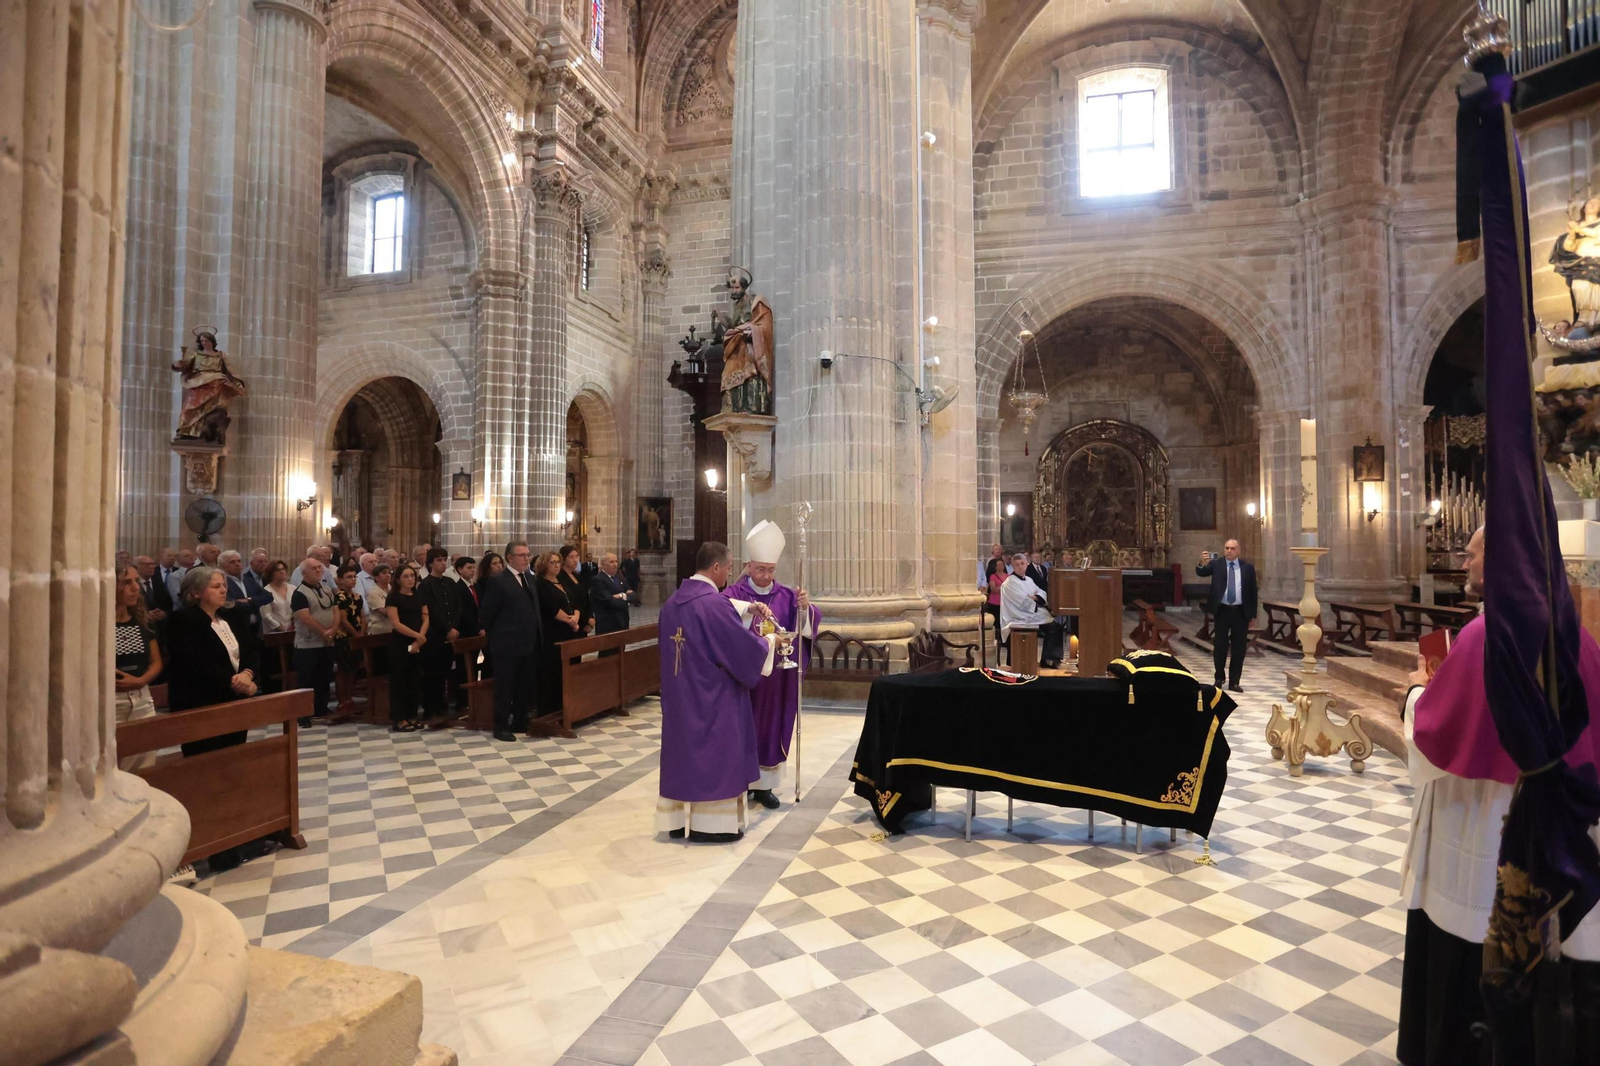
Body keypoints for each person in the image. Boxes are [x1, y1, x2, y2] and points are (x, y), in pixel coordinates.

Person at [1398, 525, 1600, 1064]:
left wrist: (1419, 687)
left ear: (1502, 559)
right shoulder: (1577, 636)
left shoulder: (1485, 637)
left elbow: (1434, 735)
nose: (1464, 565)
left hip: (1486, 832)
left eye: (1472, 555)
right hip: (1558, 846)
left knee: (1476, 970)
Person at [657, 541, 779, 842]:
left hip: (680, 694)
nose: (728, 575)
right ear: (715, 568)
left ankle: (674, 821)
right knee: (715, 754)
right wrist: (771, 642)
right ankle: (710, 826)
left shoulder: (672, 603)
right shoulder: (712, 605)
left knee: (682, 753)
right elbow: (742, 649)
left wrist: (747, 610)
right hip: (713, 697)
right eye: (727, 568)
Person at [164, 565, 258, 874]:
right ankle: (208, 842)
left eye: (223, 585)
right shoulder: (181, 622)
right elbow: (195, 663)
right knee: (206, 774)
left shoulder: (228, 619)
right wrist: (237, 682)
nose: (223, 589)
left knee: (230, 770)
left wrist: (248, 674)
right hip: (200, 705)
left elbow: (249, 652)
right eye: (215, 585)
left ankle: (229, 838)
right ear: (195, 592)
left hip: (231, 704)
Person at [722, 521, 820, 809]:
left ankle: (764, 787)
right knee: (744, 727)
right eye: (760, 569)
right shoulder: (735, 595)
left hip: (777, 679)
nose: (766, 576)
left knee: (771, 726)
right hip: (744, 680)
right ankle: (741, 781)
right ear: (748, 566)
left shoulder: (788, 596)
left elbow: (804, 628)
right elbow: (722, 617)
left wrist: (805, 609)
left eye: (771, 570)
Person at [479, 542, 542, 741]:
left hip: (528, 642)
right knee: (505, 687)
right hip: (506, 644)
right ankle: (501, 725)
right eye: (522, 555)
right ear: (510, 558)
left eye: (528, 554)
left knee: (524, 685)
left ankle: (520, 720)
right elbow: (487, 614)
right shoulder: (499, 581)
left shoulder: (529, 579)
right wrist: (500, 635)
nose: (527, 558)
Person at [113, 564, 162, 771]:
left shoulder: (142, 620)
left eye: (136, 582)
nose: (135, 588)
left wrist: (141, 680)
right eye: (127, 582)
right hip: (111, 701)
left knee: (143, 766)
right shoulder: (96, 622)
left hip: (141, 699)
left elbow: (156, 661)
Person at [1196, 539, 1257, 692]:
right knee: (1220, 645)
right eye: (1227, 548)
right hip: (1222, 610)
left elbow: (1252, 592)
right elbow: (1201, 572)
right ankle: (1219, 677)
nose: (1229, 551)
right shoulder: (1216, 564)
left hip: (1240, 612)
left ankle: (1234, 681)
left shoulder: (1247, 568)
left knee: (1239, 648)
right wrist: (1201, 562)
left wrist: (1253, 615)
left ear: (1239, 550)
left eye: (1232, 548)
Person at [290, 557, 338, 720]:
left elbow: (335, 611)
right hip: (308, 644)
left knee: (324, 677)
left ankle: (321, 708)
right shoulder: (299, 593)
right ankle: (303, 714)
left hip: (327, 641)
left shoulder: (327, 589)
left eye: (320, 567)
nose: (319, 570)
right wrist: (324, 632)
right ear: (304, 573)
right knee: (307, 679)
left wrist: (333, 630)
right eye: (314, 568)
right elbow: (305, 618)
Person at [536, 551, 582, 719]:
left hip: (569, 632)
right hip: (553, 633)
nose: (556, 565)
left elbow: (575, 601)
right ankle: (550, 712)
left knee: (567, 672)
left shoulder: (561, 580)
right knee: (552, 672)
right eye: (552, 562)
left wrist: (576, 617)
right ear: (544, 565)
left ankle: (566, 708)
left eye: (558, 562)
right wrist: (570, 621)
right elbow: (549, 608)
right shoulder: (540, 583)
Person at [419, 548, 462, 725]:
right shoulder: (425, 585)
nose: (443, 563)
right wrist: (446, 629)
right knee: (432, 673)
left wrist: (454, 627)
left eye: (444, 560)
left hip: (451, 634)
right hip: (434, 635)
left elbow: (457, 606)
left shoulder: (450, 582)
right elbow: (432, 612)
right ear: (430, 564)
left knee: (445, 672)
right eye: (439, 560)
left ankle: (442, 705)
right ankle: (431, 708)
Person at [999, 553, 1064, 668]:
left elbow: (1041, 592)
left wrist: (1034, 597)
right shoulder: (1010, 583)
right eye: (1017, 565)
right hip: (1017, 617)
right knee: (1053, 628)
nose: (1020, 567)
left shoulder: (1029, 580)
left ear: (1027, 564)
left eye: (1022, 563)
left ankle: (1049, 659)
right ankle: (1023, 662)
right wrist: (1033, 597)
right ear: (1013, 567)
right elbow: (1022, 602)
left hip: (1029, 614)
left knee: (1056, 627)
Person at [385, 564, 429, 733]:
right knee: (400, 682)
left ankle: (412, 715)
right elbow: (396, 624)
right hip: (400, 643)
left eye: (412, 576)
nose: (411, 579)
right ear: (397, 579)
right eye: (406, 576)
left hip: (418, 642)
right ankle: (399, 718)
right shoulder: (393, 597)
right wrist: (416, 636)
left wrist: (420, 638)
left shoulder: (419, 595)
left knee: (414, 681)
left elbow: (426, 617)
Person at [330, 564, 364, 718]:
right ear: (340, 581)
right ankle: (342, 700)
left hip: (357, 636)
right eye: (349, 577)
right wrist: (355, 635)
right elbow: (343, 620)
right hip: (344, 638)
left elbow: (363, 616)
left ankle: (350, 698)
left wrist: (362, 633)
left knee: (353, 669)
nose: (353, 580)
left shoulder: (357, 597)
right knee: (343, 670)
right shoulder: (339, 597)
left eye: (354, 576)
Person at [590, 552, 634, 656]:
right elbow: (609, 601)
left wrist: (621, 596)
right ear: (603, 564)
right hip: (608, 624)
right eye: (611, 562)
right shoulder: (598, 580)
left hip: (622, 621)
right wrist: (626, 599)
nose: (615, 564)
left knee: (620, 654)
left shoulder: (619, 578)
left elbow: (634, 596)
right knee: (607, 655)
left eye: (616, 561)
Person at [475, 551, 504, 679]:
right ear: (488, 567)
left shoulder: (505, 582)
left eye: (500, 563)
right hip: (490, 628)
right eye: (495, 563)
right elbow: (483, 607)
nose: (499, 566)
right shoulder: (482, 584)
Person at [557, 545, 592, 635]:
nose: (575, 560)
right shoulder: (559, 577)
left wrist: (590, 619)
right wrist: (586, 619)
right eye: (571, 557)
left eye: (577, 556)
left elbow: (585, 598)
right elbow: (571, 601)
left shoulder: (577, 576)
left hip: (584, 621)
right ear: (564, 559)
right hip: (572, 622)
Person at [136, 554, 171, 620]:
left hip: (160, 624)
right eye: (146, 564)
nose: (151, 567)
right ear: (137, 566)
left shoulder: (158, 582)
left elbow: (168, 602)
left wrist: (165, 613)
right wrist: (146, 614)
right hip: (141, 622)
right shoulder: (133, 584)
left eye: (152, 564)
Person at [365, 564, 393, 635]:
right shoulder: (373, 593)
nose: (388, 575)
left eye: (389, 573)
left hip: (393, 629)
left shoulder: (393, 590)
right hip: (379, 631)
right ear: (376, 577)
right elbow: (386, 612)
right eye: (384, 573)